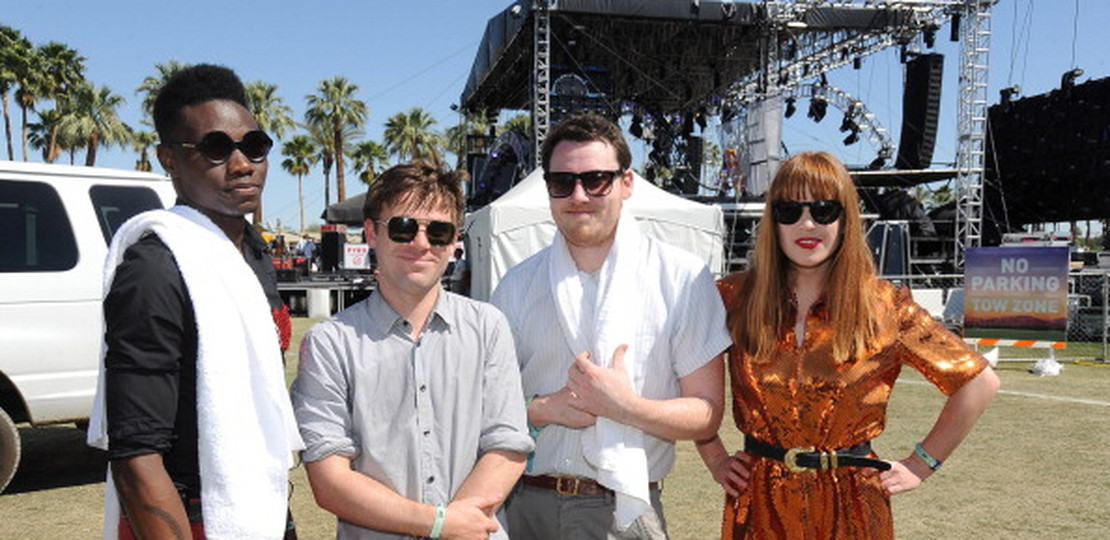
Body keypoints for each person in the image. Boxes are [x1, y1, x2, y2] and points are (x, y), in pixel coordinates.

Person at [699, 151, 1001, 539]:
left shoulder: (885, 306)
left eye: (824, 210)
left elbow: (978, 382)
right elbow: (688, 377)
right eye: (789, 210)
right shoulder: (732, 297)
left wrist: (921, 463)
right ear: (772, 221)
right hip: (759, 501)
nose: (806, 223)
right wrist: (715, 457)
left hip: (855, 502)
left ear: (846, 219)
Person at [86, 64, 303, 539]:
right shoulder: (155, 269)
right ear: (168, 158)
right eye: (216, 148)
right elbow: (136, 458)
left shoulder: (251, 252)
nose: (243, 163)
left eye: (255, 145)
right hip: (194, 518)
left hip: (260, 507)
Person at [491, 113, 731, 539]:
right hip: (525, 505)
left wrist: (623, 407)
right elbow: (486, 404)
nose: (579, 194)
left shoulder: (681, 279)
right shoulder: (517, 284)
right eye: (562, 182)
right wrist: (540, 410)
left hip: (624, 510)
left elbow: (706, 414)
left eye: (596, 179)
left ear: (627, 183)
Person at [291, 160, 533, 540]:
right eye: (403, 228)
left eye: (438, 232)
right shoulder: (330, 343)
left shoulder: (489, 327)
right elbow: (329, 479)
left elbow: (507, 446)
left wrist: (454, 526)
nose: (421, 243)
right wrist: (439, 524)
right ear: (371, 232)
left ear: (455, 242)